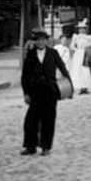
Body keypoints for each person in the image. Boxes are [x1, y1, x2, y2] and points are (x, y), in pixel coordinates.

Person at [20, 28, 71, 156]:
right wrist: (26, 93)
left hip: (50, 91)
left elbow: (63, 69)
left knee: (48, 119)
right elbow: (25, 76)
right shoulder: (30, 54)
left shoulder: (53, 53)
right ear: (35, 41)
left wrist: (70, 86)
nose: (40, 42)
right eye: (37, 40)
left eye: (42, 40)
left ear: (46, 41)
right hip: (35, 92)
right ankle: (30, 146)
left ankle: (46, 147)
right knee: (31, 120)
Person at [69, 20, 91, 95]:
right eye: (80, 28)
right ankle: (80, 87)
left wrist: (88, 50)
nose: (82, 30)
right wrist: (77, 50)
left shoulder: (88, 37)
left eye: (83, 28)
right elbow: (71, 46)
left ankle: (86, 87)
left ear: (85, 29)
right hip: (78, 54)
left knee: (85, 70)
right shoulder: (76, 37)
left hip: (86, 54)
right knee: (78, 71)